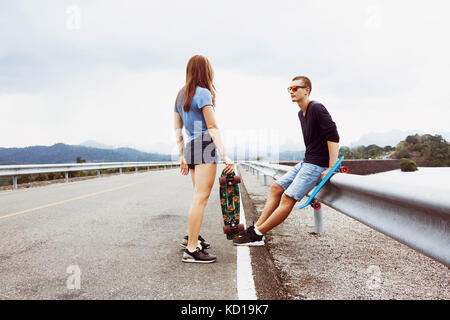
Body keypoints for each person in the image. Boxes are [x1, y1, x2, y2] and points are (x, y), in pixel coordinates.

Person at [233, 76, 340, 246]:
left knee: (288, 198)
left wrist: (331, 166)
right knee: (276, 188)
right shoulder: (301, 113)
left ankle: (258, 234)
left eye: (295, 88)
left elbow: (333, 135)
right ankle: (256, 228)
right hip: (307, 161)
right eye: (289, 89)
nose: (292, 92)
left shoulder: (317, 108)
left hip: (317, 164)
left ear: (307, 90)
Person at [174, 55, 234, 263]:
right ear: (206, 71)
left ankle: (193, 238)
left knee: (197, 197)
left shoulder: (180, 95)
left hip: (191, 146)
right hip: (205, 145)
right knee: (201, 198)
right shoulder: (204, 93)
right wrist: (225, 155)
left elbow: (177, 129)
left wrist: (183, 155)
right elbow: (212, 126)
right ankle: (192, 249)